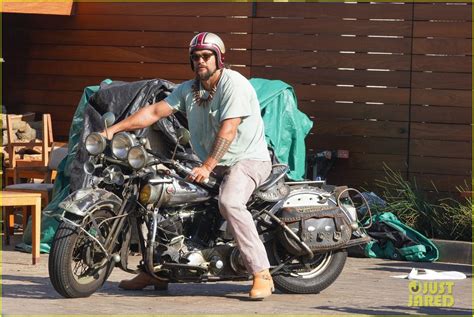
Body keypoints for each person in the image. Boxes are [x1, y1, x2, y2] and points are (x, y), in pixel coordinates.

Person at [103, 32, 274, 300]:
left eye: (206, 56)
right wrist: (113, 130)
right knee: (162, 194)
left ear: (219, 58)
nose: (200, 61)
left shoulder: (234, 85)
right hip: (213, 163)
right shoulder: (189, 90)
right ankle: (155, 270)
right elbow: (154, 112)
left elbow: (229, 130)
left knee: (230, 202)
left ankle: (261, 272)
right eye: (195, 57)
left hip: (248, 160)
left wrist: (206, 165)